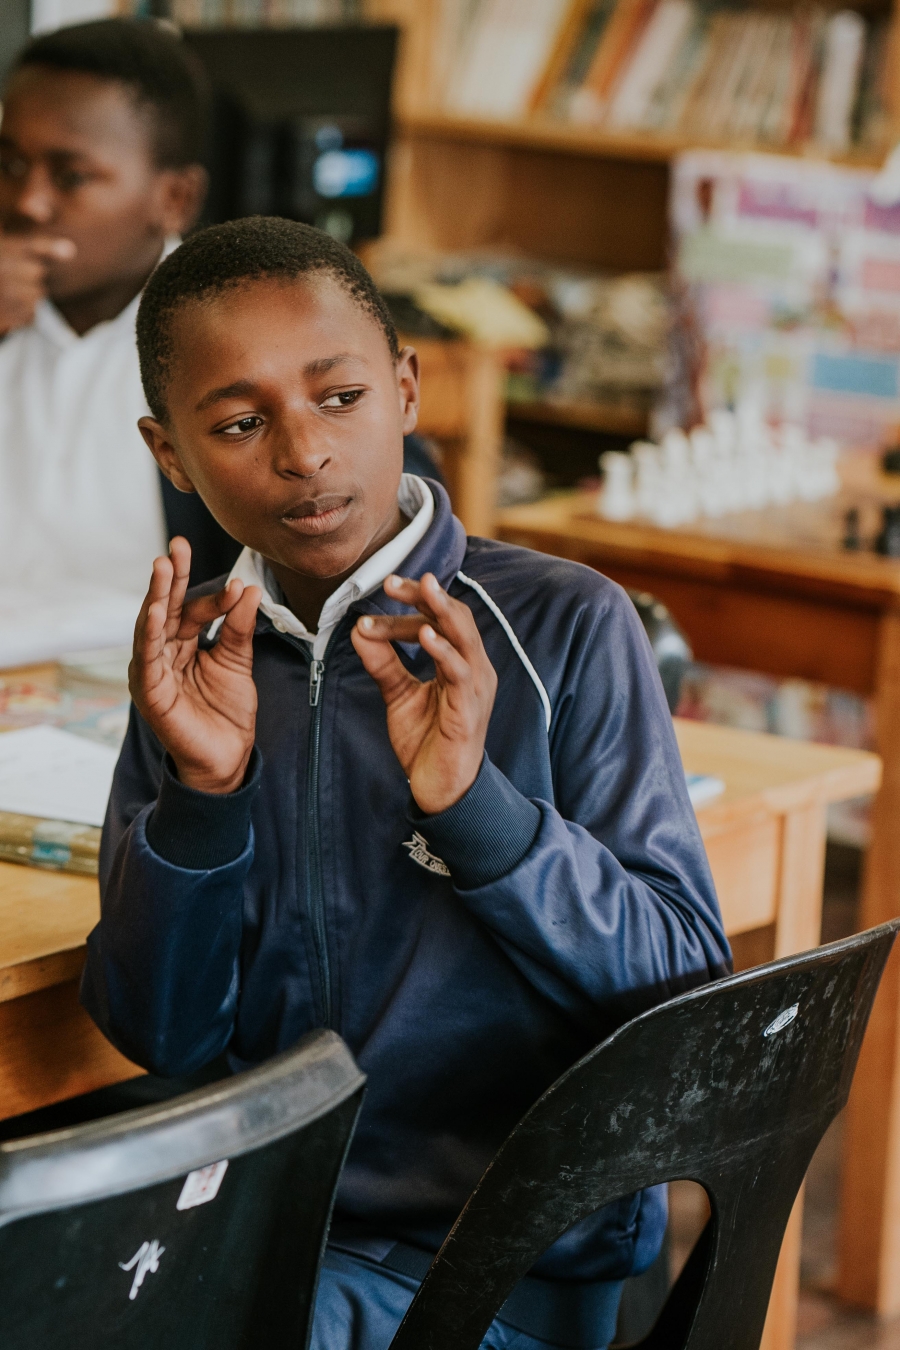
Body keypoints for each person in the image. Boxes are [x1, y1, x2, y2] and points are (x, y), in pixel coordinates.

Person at [82, 216, 731, 1350]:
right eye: (240, 423)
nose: (304, 453)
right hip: (274, 1245)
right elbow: (165, 1037)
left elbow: (681, 981)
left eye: (340, 398)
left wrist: (479, 810)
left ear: (409, 388)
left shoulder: (565, 627)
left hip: (505, 1273)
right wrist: (204, 795)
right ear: (171, 454)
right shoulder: (194, 670)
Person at [0, 17, 438, 601]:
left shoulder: (231, 335)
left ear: (174, 199)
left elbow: (386, 510)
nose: (27, 203)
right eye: (8, 166)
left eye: (71, 176)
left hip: (165, 673)